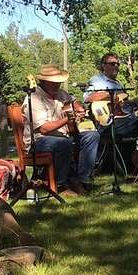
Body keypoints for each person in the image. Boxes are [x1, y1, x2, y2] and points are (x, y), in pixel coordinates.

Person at [23, 64, 100, 196]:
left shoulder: (61, 93)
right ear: (43, 82)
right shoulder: (34, 98)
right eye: (53, 82)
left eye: (58, 82)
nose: (56, 85)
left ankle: (83, 179)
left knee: (92, 136)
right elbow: (44, 129)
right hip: (39, 141)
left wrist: (78, 108)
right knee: (63, 143)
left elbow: (73, 101)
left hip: (64, 136)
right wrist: (67, 119)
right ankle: (61, 184)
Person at [84, 52, 138, 168]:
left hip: (124, 121)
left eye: (118, 64)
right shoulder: (97, 80)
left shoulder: (118, 84)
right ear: (103, 65)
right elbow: (88, 98)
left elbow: (125, 106)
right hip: (109, 123)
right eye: (112, 64)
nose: (116, 66)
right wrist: (111, 95)